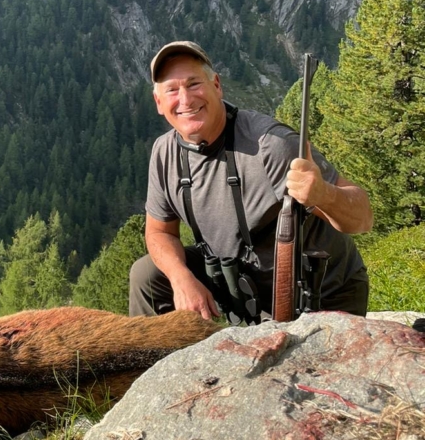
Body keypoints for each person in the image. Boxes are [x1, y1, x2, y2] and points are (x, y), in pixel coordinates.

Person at [129, 41, 372, 321]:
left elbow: (363, 218)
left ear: (216, 85)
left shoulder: (270, 144)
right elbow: (159, 233)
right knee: (147, 275)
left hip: (321, 293)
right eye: (172, 90)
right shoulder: (164, 153)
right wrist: (180, 278)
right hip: (243, 288)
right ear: (158, 102)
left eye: (194, 84)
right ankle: (167, 351)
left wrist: (324, 195)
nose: (185, 100)